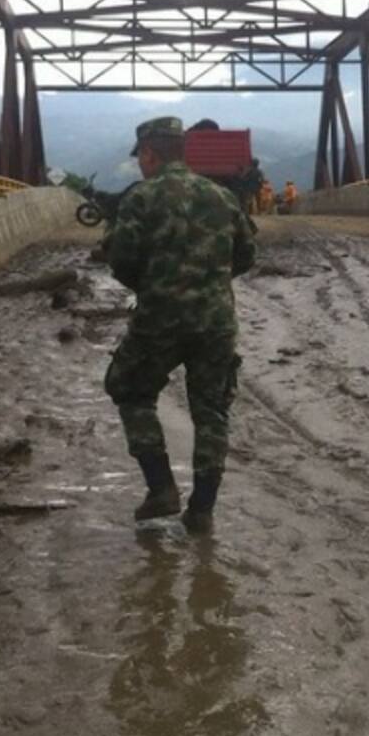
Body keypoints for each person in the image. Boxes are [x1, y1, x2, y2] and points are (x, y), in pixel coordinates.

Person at [106, 116, 257, 534]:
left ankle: (161, 488)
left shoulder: (141, 198)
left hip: (160, 320)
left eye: (142, 157)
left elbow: (120, 262)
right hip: (216, 322)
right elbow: (246, 256)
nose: (140, 165)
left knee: (129, 388)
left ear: (150, 153)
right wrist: (209, 283)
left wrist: (156, 284)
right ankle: (202, 510)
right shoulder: (222, 197)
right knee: (211, 410)